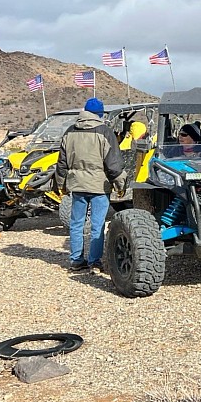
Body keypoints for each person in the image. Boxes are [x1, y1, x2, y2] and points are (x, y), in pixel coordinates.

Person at [55, 98, 127, 273]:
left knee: (76, 224)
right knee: (97, 225)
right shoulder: (105, 132)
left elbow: (62, 163)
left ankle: (76, 260)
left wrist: (61, 185)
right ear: (100, 114)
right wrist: (120, 184)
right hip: (99, 186)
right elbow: (113, 164)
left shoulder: (70, 131)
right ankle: (95, 262)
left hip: (77, 185)